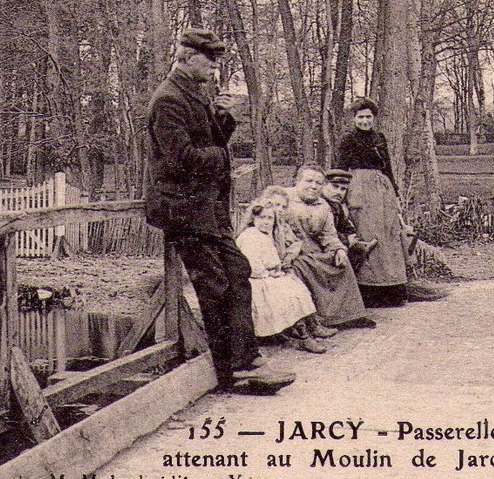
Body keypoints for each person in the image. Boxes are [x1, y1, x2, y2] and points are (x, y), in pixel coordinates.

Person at [144, 28, 293, 394]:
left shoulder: (193, 95)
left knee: (238, 271)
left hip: (206, 208)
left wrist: (224, 118)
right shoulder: (168, 100)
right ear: (188, 56)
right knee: (215, 284)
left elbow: (207, 144)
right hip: (183, 209)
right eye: (209, 59)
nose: (214, 67)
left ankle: (247, 360)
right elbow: (181, 160)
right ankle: (232, 372)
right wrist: (225, 160)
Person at [333, 98, 446, 306]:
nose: (365, 121)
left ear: (374, 118)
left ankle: (391, 290)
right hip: (359, 189)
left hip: (382, 191)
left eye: (368, 117)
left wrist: (394, 192)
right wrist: (341, 195)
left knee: (388, 238)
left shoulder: (380, 137)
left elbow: (388, 169)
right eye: (361, 117)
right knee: (368, 235)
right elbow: (340, 168)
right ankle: (367, 291)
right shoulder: (347, 139)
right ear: (354, 118)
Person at [236, 190, 329, 354]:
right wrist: (270, 273)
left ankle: (309, 329)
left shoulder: (266, 235)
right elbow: (252, 267)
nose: (266, 222)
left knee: (297, 288)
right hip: (256, 281)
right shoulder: (250, 235)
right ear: (253, 218)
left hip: (268, 276)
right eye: (261, 218)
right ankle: (304, 337)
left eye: (269, 218)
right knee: (288, 293)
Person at [283, 165, 376, 330]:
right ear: (297, 181)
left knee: (341, 262)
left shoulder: (323, 206)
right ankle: (314, 320)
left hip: (314, 249)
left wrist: (338, 249)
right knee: (302, 266)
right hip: (288, 251)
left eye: (318, 183)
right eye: (309, 181)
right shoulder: (283, 198)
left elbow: (328, 235)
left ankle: (349, 315)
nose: (313, 186)